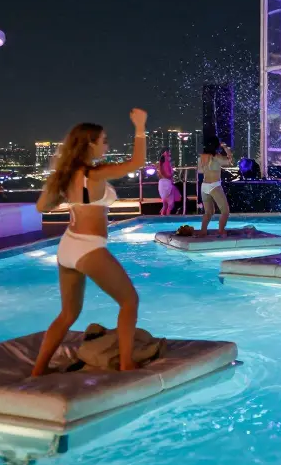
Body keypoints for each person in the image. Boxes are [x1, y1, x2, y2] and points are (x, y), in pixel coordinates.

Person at [32, 109, 147, 376]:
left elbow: (41, 206)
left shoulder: (66, 174)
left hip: (68, 245)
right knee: (129, 301)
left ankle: (38, 369)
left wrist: (70, 200)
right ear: (90, 143)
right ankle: (126, 363)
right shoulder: (94, 174)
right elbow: (137, 162)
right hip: (88, 247)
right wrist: (140, 127)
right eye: (103, 140)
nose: (107, 144)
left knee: (68, 313)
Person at [198, 138, 234, 237]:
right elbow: (230, 161)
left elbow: (200, 171)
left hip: (204, 186)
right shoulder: (217, 157)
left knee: (208, 212)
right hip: (214, 186)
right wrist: (226, 148)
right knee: (225, 211)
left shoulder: (201, 158)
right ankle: (221, 230)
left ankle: (203, 231)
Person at [157, 150, 177, 216]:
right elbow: (168, 174)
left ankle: (163, 217)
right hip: (167, 183)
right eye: (169, 152)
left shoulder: (160, 163)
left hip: (161, 184)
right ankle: (168, 218)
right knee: (170, 205)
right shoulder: (166, 162)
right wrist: (171, 174)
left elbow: (161, 173)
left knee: (165, 204)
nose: (170, 154)